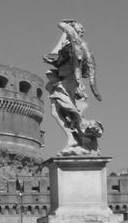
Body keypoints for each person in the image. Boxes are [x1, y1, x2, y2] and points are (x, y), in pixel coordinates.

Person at [43, 20, 103, 153]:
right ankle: (74, 137)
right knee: (56, 112)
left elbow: (51, 57)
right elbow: (52, 58)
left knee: (64, 110)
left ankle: (82, 129)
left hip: (68, 82)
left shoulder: (74, 48)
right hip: (65, 82)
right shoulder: (73, 47)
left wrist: (64, 31)